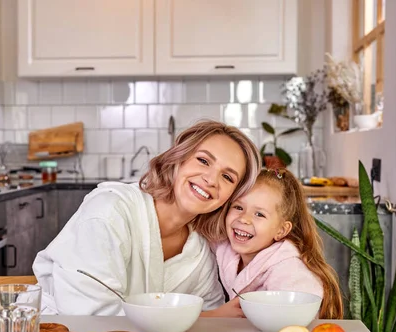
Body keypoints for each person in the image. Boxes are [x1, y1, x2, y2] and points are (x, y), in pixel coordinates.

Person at [32, 120, 261, 315]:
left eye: (228, 177)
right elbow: (90, 317)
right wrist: (203, 321)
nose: (211, 179)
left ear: (232, 196)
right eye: (203, 160)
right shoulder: (110, 211)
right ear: (178, 158)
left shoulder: (200, 251)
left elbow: (210, 314)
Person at [203, 168, 343, 319]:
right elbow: (199, 230)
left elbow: (298, 316)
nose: (244, 218)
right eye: (238, 207)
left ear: (281, 230)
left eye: (259, 214)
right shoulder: (226, 248)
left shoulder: (289, 270)